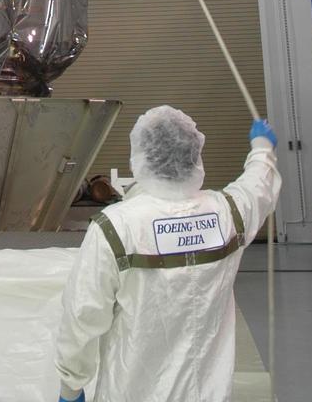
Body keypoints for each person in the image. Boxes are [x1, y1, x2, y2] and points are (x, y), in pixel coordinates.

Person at [54, 106, 280, 402]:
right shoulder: (228, 214)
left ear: (140, 157)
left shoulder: (117, 227)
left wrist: (71, 387)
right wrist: (262, 147)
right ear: (194, 155)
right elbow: (258, 185)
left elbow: (82, 315)